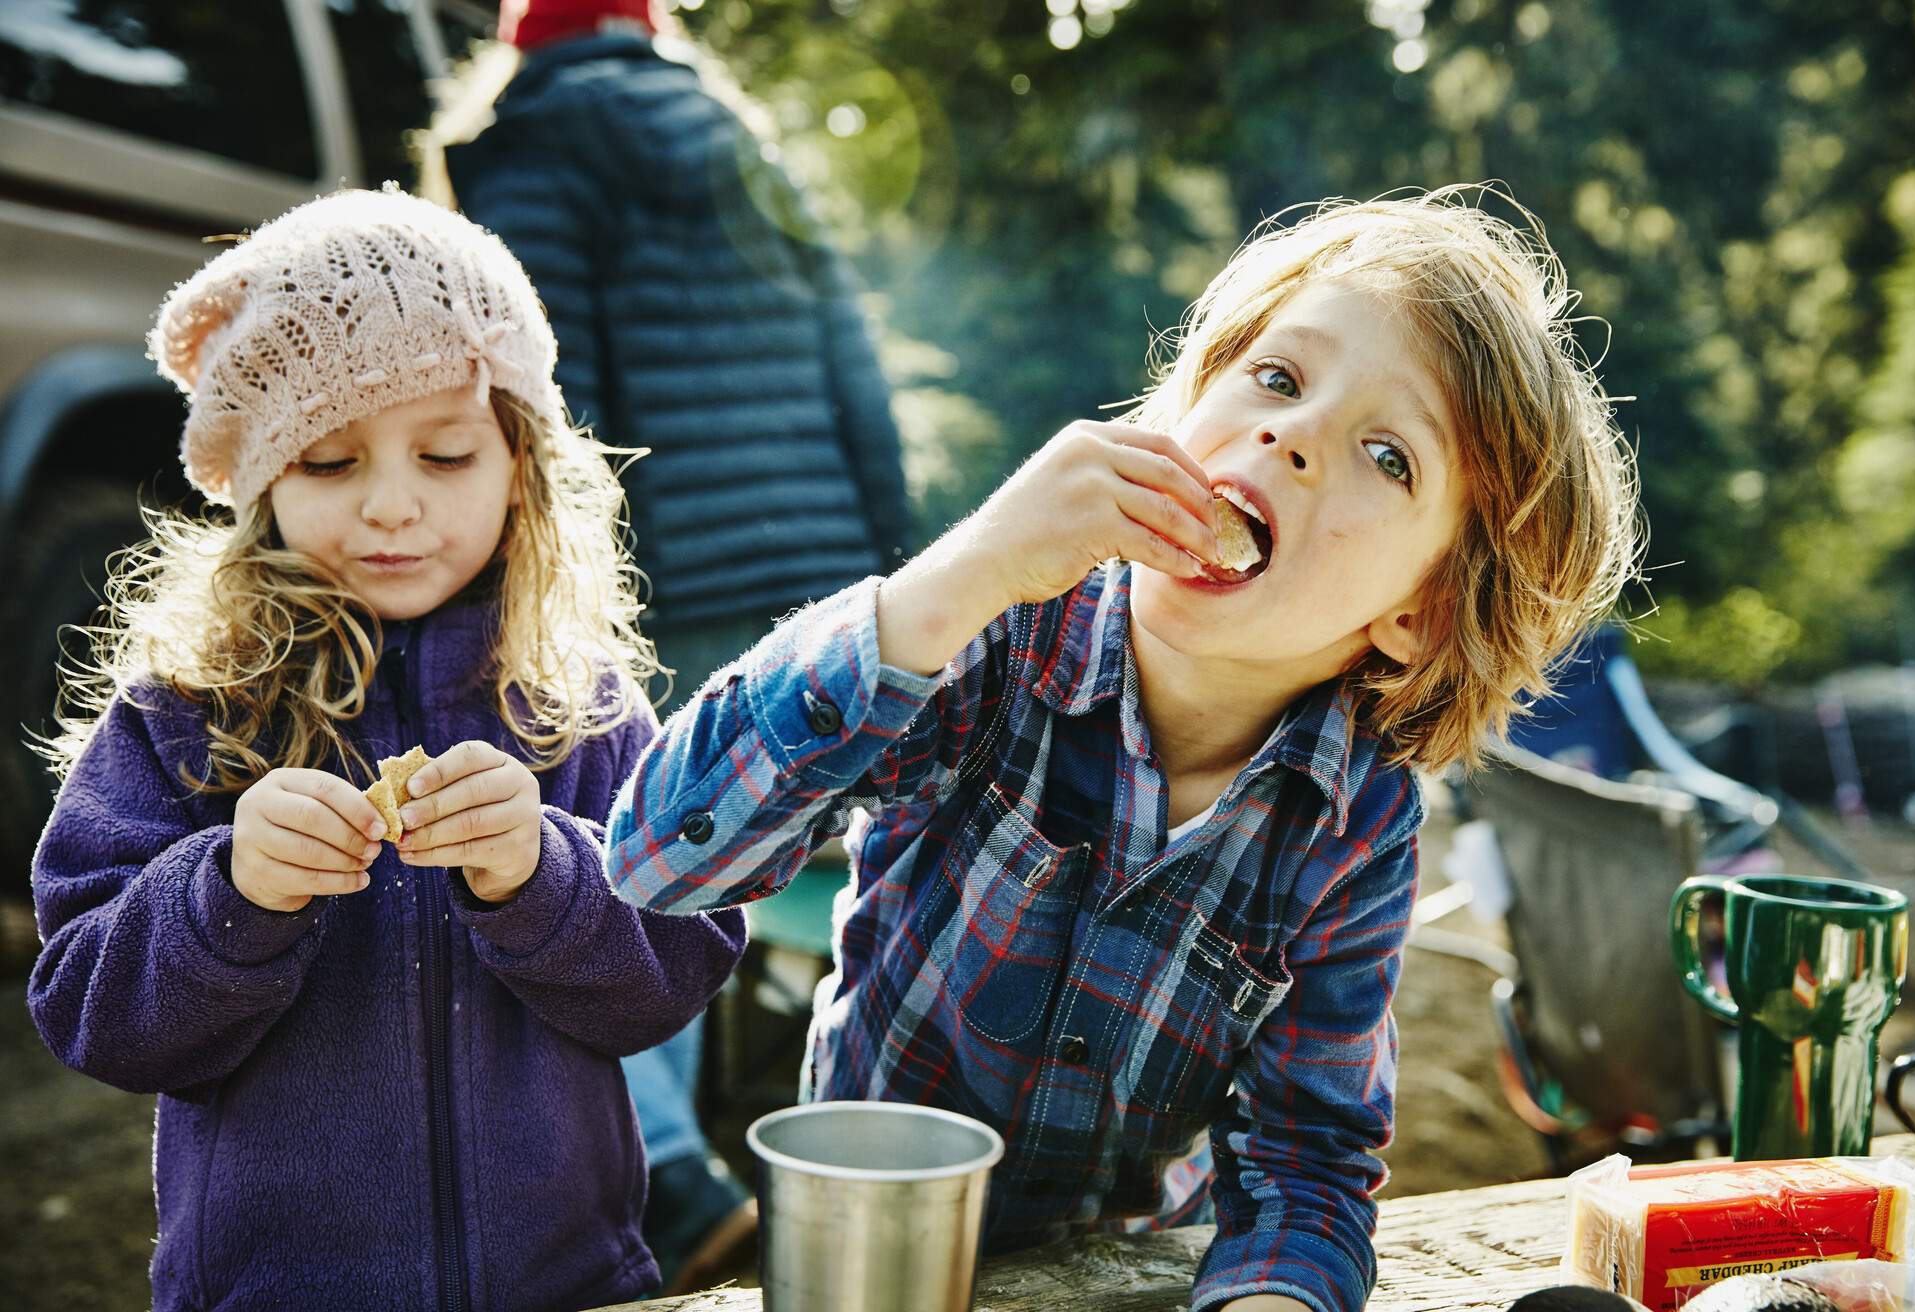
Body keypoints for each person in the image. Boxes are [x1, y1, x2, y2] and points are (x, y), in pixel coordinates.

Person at [601, 187, 1642, 1312]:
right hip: (880, 1265)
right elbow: (661, 860)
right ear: (1179, 406)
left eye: (1387, 454)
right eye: (1279, 379)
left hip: (1128, 1283)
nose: (1289, 436)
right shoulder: (989, 638)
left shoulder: (1357, 820)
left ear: (1418, 616)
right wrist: (959, 575)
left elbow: (1304, 1166)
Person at [25, 188, 747, 1311]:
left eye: (447, 454)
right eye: (328, 463)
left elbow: (673, 976)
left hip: (564, 1284)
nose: (394, 508)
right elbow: (87, 1008)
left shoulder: (581, 703)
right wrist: (230, 890)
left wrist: (540, 874)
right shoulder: (190, 710)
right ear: (260, 484)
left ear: (524, 463)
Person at [419, 0, 915, 1289]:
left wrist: (556, 586)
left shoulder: (535, 145)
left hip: (670, 575)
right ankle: (861, 1140)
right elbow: (857, 371)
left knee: (642, 857)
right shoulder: (746, 142)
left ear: (520, 49)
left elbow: (544, 394)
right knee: (815, 861)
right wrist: (893, 572)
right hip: (821, 570)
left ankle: (679, 1183)